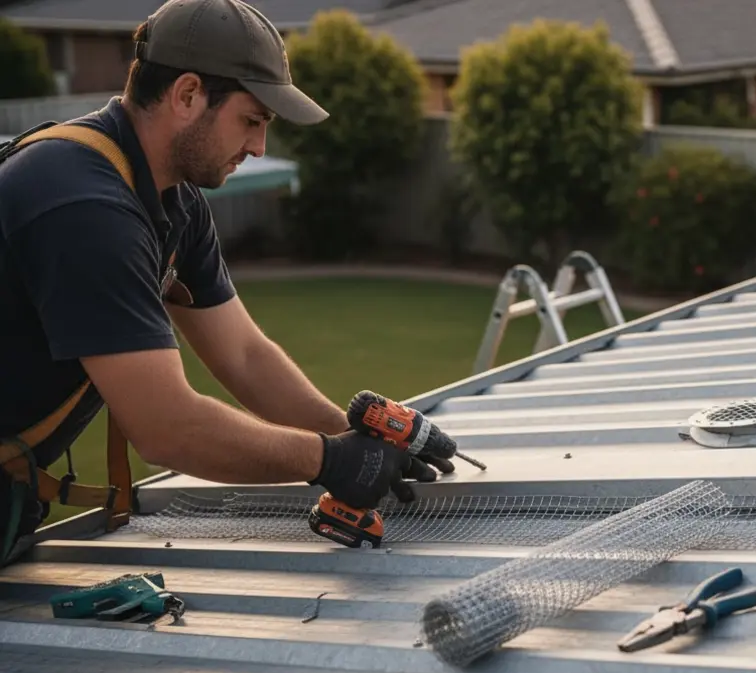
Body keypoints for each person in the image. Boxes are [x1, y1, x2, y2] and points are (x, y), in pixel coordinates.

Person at [0, 0, 445, 565]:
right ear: (187, 96)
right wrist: (327, 460)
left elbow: (244, 354)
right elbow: (168, 429)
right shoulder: (81, 204)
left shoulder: (169, 197)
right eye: (252, 120)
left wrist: (357, 440)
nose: (259, 147)